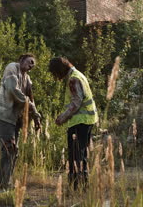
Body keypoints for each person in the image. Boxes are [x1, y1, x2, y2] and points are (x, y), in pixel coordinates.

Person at [48, 57, 98, 191]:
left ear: (60, 70)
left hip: (79, 122)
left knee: (75, 156)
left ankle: (76, 187)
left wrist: (62, 118)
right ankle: (84, 186)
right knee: (81, 155)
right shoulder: (79, 75)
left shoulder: (73, 79)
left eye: (55, 73)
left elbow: (76, 102)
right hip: (87, 121)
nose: (57, 77)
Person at [0, 53, 41, 190]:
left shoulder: (27, 79)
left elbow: (30, 99)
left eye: (33, 64)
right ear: (21, 59)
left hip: (15, 120)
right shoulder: (11, 68)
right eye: (30, 61)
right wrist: (31, 106)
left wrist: (36, 116)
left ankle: (6, 184)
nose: (31, 65)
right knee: (9, 150)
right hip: (4, 117)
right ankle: (3, 187)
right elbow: (12, 90)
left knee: (14, 151)